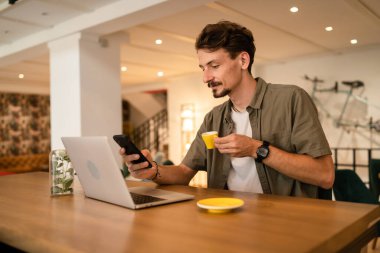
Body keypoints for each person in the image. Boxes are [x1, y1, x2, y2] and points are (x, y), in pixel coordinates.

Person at [120, 21, 334, 198]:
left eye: (214, 66)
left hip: (284, 225)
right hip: (226, 221)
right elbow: (184, 172)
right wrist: (153, 170)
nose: (206, 77)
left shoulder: (291, 99)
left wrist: (256, 149)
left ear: (243, 60)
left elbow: (324, 175)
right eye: (203, 68)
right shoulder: (213, 118)